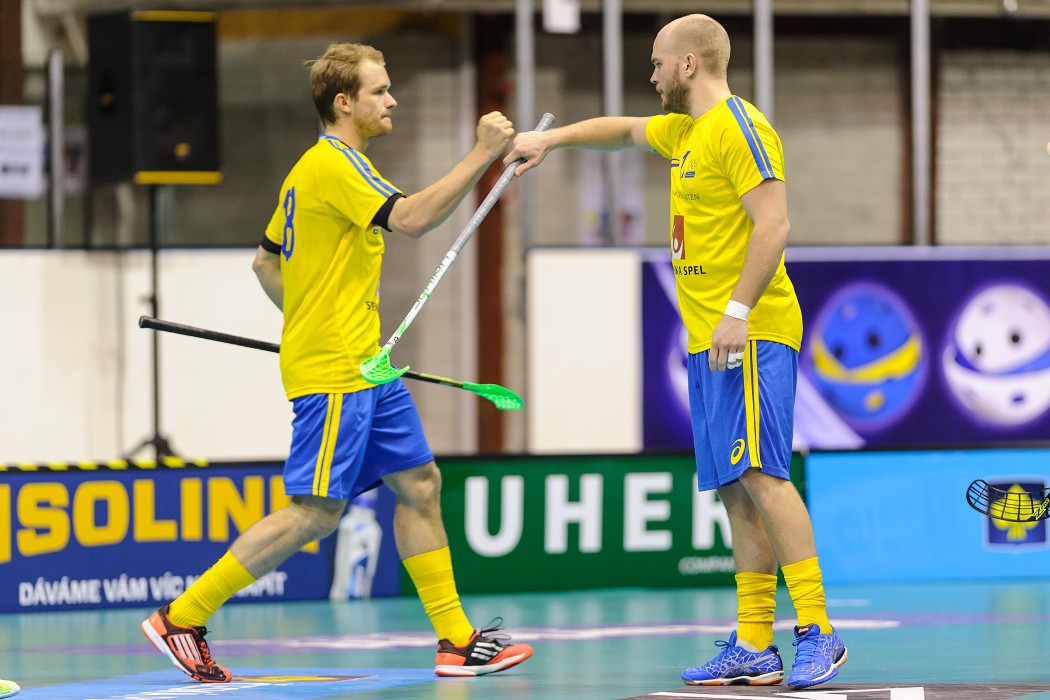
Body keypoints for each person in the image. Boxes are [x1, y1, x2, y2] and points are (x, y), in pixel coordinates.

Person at [141, 42, 533, 683]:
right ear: (344, 102)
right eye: (380, 91)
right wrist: (483, 152)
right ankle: (182, 617)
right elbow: (410, 219)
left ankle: (456, 641)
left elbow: (265, 261)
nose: (392, 100)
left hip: (367, 365)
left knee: (421, 485)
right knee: (317, 512)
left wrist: (306, 319)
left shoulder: (315, 171)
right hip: (335, 372)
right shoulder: (333, 166)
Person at [504, 13, 845, 691]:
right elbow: (622, 132)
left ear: (690, 64)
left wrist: (737, 313)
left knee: (765, 476)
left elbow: (774, 224)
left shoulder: (738, 127)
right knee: (735, 490)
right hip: (708, 340)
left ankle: (818, 632)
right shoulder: (685, 131)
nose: (652, 75)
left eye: (658, 63)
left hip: (750, 330)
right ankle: (754, 641)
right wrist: (551, 139)